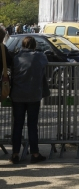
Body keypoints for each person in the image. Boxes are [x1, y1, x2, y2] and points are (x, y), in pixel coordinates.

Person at [9, 36, 48, 165]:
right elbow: (45, 64)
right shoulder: (40, 56)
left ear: (23, 45)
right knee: (32, 125)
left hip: (17, 94)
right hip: (33, 95)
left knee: (17, 125)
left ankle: (15, 154)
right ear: (34, 45)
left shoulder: (16, 57)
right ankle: (35, 153)